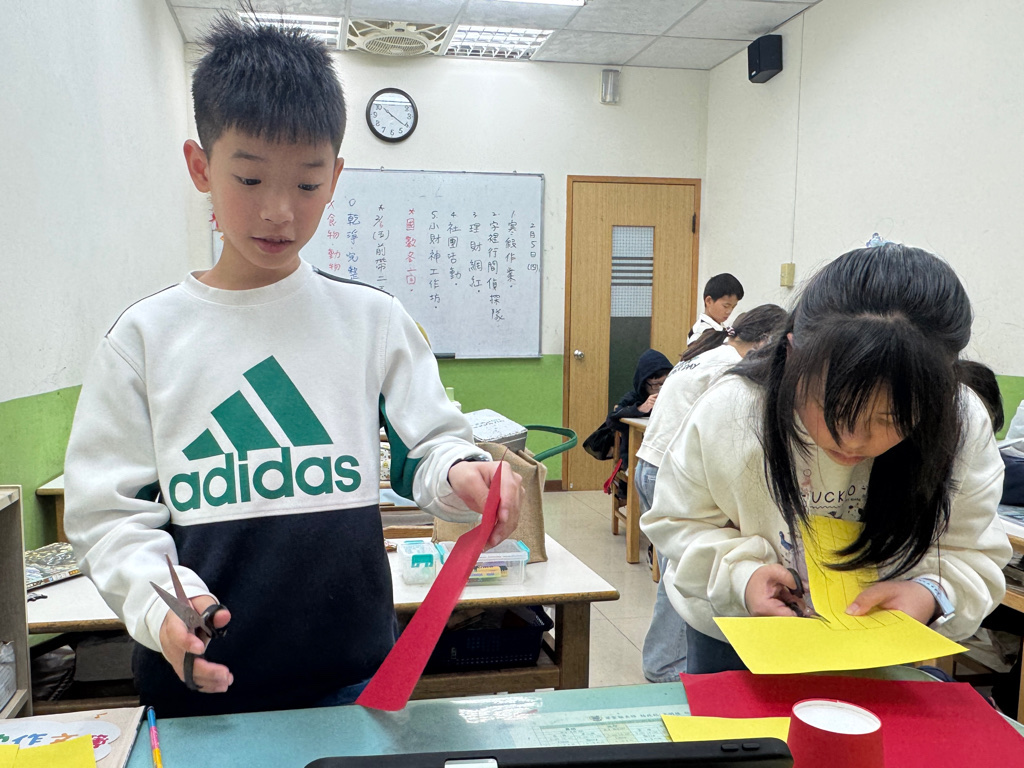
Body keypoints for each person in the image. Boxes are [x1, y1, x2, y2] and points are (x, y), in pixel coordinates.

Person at [63, 16, 521, 718]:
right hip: (199, 689)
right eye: (249, 177)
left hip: (355, 682)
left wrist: (463, 474)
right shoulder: (145, 340)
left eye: (307, 184)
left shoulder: (371, 321)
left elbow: (429, 448)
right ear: (200, 167)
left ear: (334, 177)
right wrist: (164, 609)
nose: (278, 211)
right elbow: (109, 517)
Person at [642, 243, 1012, 674]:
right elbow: (676, 523)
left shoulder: (961, 422)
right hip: (739, 635)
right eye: (830, 405)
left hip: (878, 641)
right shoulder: (733, 411)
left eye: (891, 417)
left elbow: (975, 552)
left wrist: (930, 593)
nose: (851, 439)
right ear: (793, 355)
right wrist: (741, 577)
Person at [635, 304, 786, 682]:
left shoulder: (704, 353)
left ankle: (661, 660)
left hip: (651, 463)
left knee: (677, 568)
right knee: (688, 573)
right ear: (766, 342)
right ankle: (665, 666)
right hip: (675, 473)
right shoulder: (731, 369)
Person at [687, 273, 744, 344]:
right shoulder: (701, 332)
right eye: (726, 306)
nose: (729, 311)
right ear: (709, 301)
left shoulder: (721, 328)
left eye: (733, 307)